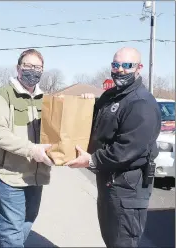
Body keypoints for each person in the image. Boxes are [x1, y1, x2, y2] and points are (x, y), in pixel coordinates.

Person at [65, 47, 161, 247]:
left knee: (123, 242)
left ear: (139, 68)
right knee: (111, 239)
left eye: (127, 65)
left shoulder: (141, 103)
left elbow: (128, 149)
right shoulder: (111, 97)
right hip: (109, 183)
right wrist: (85, 106)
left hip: (127, 190)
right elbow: (95, 127)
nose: (120, 70)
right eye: (116, 65)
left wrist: (92, 160)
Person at [0, 49, 54, 247]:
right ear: (18, 68)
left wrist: (84, 100)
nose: (33, 71)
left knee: (27, 220)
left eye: (37, 67)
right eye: (28, 66)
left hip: (35, 175)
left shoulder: (45, 99)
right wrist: (31, 150)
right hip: (7, 175)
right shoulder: (3, 95)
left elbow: (60, 128)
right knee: (12, 232)